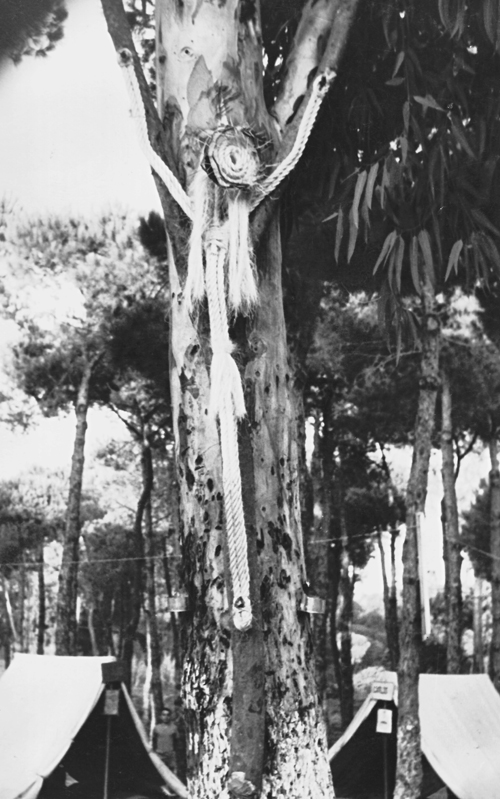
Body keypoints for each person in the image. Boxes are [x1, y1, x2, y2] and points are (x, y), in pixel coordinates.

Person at [153, 708, 178, 773]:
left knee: (171, 773)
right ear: (160, 716)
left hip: (170, 755)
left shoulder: (174, 728)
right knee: (159, 773)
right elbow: (154, 741)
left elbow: (177, 741)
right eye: (164, 715)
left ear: (170, 716)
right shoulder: (156, 728)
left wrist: (173, 752)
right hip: (159, 754)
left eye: (168, 715)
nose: (166, 717)